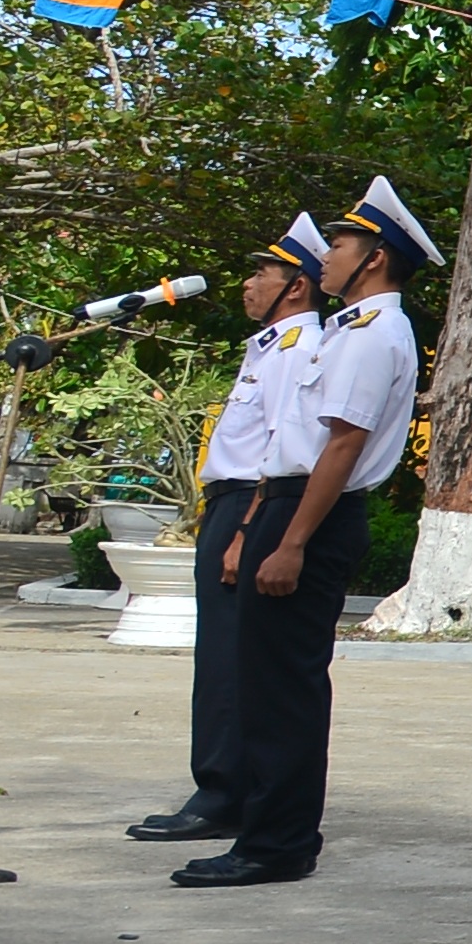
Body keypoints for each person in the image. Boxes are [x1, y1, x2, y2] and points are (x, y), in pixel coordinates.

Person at [187, 176, 431, 888]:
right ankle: (266, 833)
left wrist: (291, 540)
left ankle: (277, 843)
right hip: (289, 503)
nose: (329, 256)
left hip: (313, 515)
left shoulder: (374, 333)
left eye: (345, 243)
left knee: (284, 693)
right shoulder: (350, 329)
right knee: (264, 686)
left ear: (376, 258)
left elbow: (342, 448)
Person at [137, 214, 327, 848]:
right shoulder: (270, 344)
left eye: (261, 274)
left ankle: (224, 791)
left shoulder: (299, 348)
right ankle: (224, 787)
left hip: (250, 506)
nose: (248, 285)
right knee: (221, 655)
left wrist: (247, 532)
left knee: (229, 660)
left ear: (295, 286)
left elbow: (281, 447)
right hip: (232, 504)